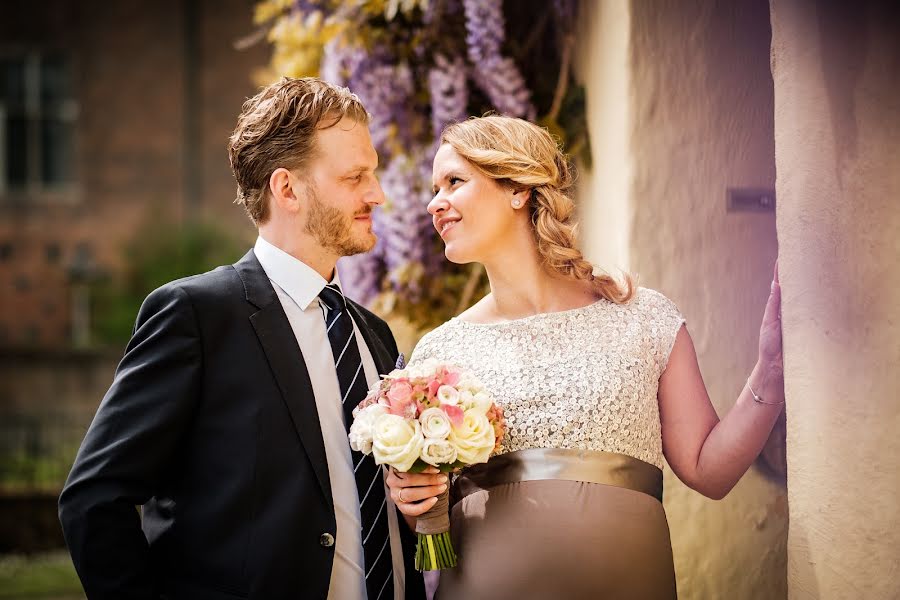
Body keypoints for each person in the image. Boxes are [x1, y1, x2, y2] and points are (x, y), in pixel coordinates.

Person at [385, 115, 784, 599]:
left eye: (454, 182)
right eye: (433, 188)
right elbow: (428, 521)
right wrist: (416, 500)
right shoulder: (439, 353)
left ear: (517, 189)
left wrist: (771, 371)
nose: (434, 203)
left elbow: (710, 471)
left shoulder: (643, 317)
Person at [58, 78, 426, 600]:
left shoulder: (374, 335)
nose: (378, 194)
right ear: (288, 189)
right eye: (355, 176)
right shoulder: (197, 315)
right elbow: (94, 499)